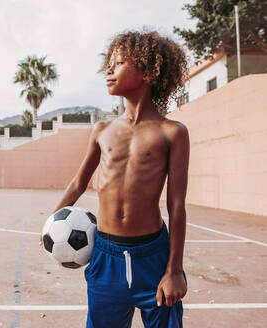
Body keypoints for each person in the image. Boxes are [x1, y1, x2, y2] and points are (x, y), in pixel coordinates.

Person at [41, 30, 190, 327]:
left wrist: (174, 269)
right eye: (109, 64)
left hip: (154, 257)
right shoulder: (102, 130)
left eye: (119, 63)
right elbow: (79, 183)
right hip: (105, 256)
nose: (108, 71)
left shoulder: (172, 132)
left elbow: (177, 204)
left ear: (148, 72)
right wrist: (51, 223)